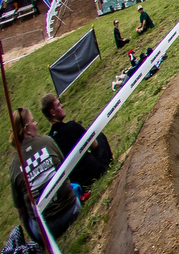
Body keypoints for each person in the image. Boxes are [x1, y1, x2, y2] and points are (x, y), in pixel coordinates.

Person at [9, 109, 74, 244]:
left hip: (46, 231)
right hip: (72, 209)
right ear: (27, 129)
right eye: (33, 120)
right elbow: (66, 171)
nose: (36, 123)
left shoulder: (14, 166)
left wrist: (37, 240)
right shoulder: (47, 141)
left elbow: (22, 213)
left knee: (28, 214)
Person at [40, 93, 110, 194]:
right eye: (58, 105)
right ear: (52, 112)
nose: (62, 105)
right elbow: (94, 145)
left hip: (78, 183)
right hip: (94, 172)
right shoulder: (72, 126)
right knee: (99, 136)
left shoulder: (50, 141)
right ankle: (109, 165)